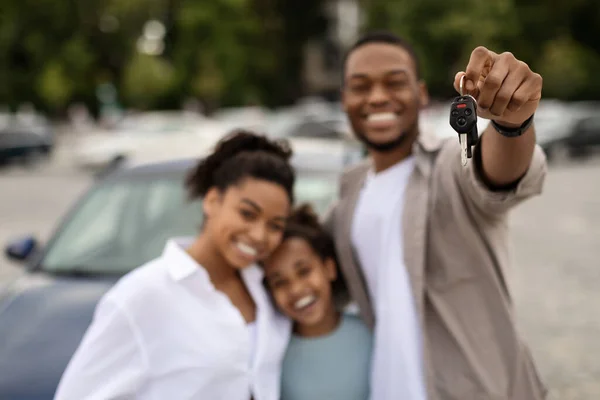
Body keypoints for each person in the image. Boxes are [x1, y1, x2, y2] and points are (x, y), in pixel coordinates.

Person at [324, 31, 548, 399]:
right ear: (344, 100)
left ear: (421, 94)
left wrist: (512, 125)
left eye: (395, 82)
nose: (378, 97)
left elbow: (496, 175)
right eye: (360, 86)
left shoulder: (450, 165)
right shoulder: (347, 200)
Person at [54, 130, 296, 400]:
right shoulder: (142, 296)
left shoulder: (266, 289)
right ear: (213, 200)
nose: (259, 235)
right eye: (247, 214)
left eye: (275, 225)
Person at [262, 204, 373, 400]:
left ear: (329, 268)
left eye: (304, 271)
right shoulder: (271, 352)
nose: (296, 289)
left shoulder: (371, 333)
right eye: (280, 282)